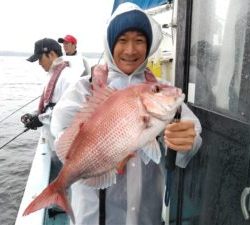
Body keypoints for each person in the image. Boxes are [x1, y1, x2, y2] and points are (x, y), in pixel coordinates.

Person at [51, 2, 202, 225]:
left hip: (146, 215)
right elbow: (60, 134)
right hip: (94, 216)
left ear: (149, 45)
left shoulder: (161, 90)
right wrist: (104, 151)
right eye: (122, 40)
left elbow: (193, 136)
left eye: (139, 40)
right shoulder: (84, 89)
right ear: (110, 44)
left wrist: (187, 141)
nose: (130, 50)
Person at [21, 38, 80, 152]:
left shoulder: (69, 77)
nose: (39, 63)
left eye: (40, 58)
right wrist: (33, 114)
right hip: (52, 140)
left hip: (65, 146)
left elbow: (70, 112)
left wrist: (40, 119)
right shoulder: (52, 74)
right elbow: (49, 104)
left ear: (51, 54)